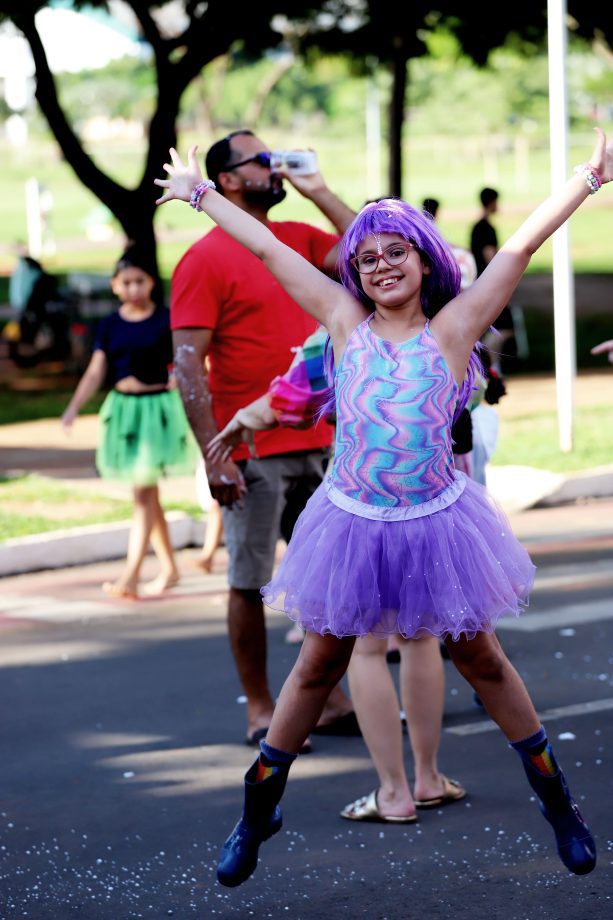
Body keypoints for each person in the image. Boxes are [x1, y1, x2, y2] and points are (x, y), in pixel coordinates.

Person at [154, 132, 610, 886]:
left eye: (395, 252)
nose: (380, 265)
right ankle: (257, 806)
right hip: (353, 522)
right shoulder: (341, 320)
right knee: (315, 667)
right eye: (365, 258)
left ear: (424, 259)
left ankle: (556, 799)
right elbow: (269, 252)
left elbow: (520, 247)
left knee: (482, 659)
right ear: (352, 272)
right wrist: (200, 195)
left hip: (436, 523)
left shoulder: (453, 328)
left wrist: (589, 177)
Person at [169, 129, 360, 747]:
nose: (274, 166)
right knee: (249, 581)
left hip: (325, 439)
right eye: (260, 160)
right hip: (251, 451)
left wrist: (320, 190)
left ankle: (327, 697)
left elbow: (378, 248)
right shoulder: (202, 260)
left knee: (327, 579)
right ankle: (260, 706)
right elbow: (187, 364)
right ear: (226, 180)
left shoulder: (301, 238)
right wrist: (212, 456)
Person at [61, 245, 196, 599]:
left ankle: (132, 575)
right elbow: (95, 370)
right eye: (127, 282)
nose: (134, 288)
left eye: (140, 281)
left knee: (142, 493)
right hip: (123, 411)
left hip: (155, 412)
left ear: (151, 282)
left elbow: (185, 357)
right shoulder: (109, 324)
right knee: (148, 493)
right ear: (116, 285)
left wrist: (179, 379)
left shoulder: (165, 319)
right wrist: (73, 408)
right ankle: (170, 568)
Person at [470, 187, 517, 373]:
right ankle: (491, 367)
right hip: (490, 284)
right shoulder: (487, 228)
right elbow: (490, 257)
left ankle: (489, 366)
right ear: (492, 202)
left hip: (479, 283)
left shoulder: (476, 227)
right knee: (503, 327)